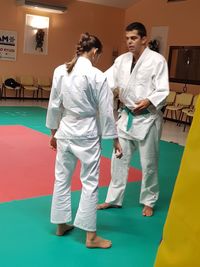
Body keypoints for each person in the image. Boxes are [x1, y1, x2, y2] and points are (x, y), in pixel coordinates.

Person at [46, 33, 122, 249]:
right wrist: (115, 139)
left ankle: (61, 225)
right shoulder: (97, 76)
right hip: (87, 134)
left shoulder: (60, 71)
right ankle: (90, 237)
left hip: (65, 130)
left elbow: (53, 105)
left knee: (61, 179)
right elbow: (107, 112)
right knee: (89, 183)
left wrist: (53, 133)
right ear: (95, 51)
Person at [97, 22, 169, 217]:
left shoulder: (157, 60)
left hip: (148, 119)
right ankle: (113, 199)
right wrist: (84, 77)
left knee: (149, 163)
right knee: (118, 160)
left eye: (134, 38)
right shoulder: (121, 60)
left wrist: (149, 100)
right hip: (127, 116)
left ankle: (149, 200)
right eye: (127, 38)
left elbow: (163, 89)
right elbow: (105, 80)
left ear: (144, 39)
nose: (129, 42)